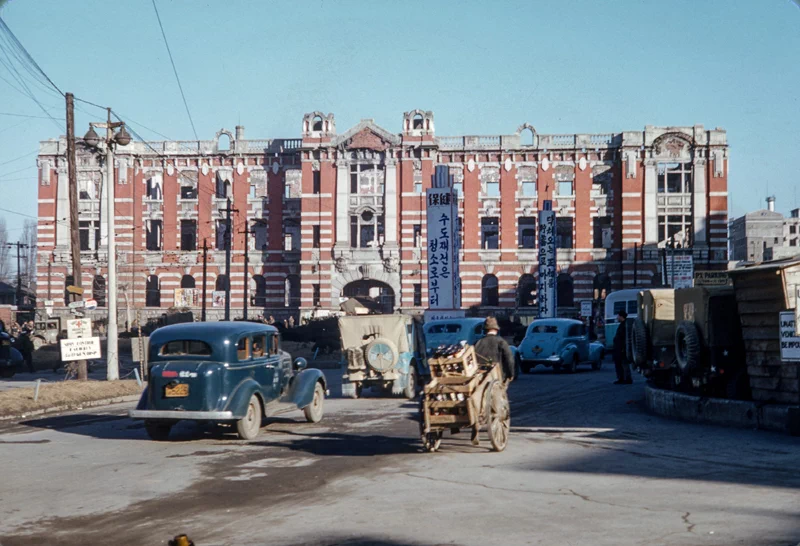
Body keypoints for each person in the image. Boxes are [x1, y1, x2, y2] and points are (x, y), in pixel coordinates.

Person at [474, 316, 516, 383]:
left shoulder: (478, 342)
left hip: (480, 377)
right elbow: (509, 359)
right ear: (496, 330)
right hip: (497, 377)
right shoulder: (501, 342)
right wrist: (511, 374)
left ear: (485, 330)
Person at [613, 310, 632, 385]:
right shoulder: (622, 325)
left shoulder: (625, 325)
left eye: (618, 316)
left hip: (622, 348)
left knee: (624, 363)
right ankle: (621, 378)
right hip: (619, 348)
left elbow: (625, 338)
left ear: (621, 316)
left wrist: (624, 348)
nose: (617, 317)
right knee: (619, 363)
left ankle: (627, 379)